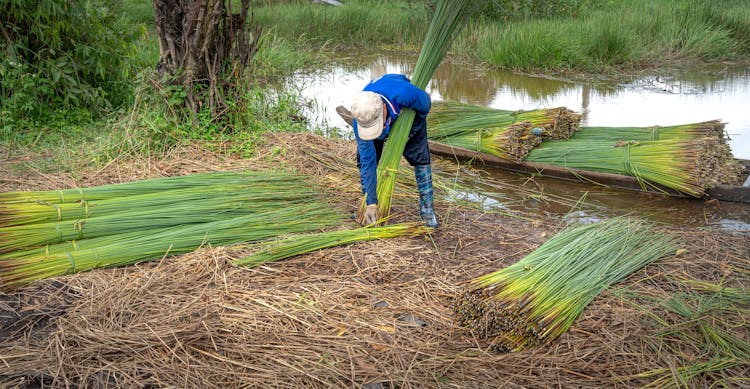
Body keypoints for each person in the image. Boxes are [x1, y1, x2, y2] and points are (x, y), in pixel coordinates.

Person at [344, 73, 438, 228]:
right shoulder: (361, 115)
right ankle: (367, 206)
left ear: (384, 108)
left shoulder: (404, 94)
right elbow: (368, 163)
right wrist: (371, 203)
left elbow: (425, 104)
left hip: (407, 114)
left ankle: (427, 210)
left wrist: (410, 132)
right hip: (376, 115)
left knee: (420, 158)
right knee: (364, 161)